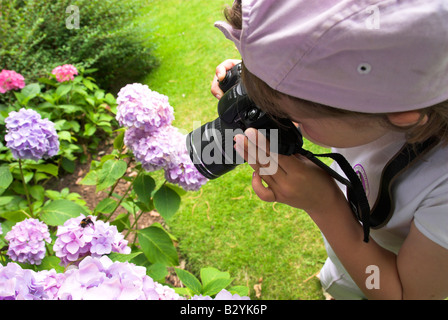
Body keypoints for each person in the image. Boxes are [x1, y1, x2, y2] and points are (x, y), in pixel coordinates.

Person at [210, 0, 448, 300]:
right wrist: (262, 76)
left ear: (400, 114)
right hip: (354, 250)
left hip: (392, 273)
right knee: (342, 279)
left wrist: (325, 205)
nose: (288, 120)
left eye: (298, 115)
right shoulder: (388, 93)